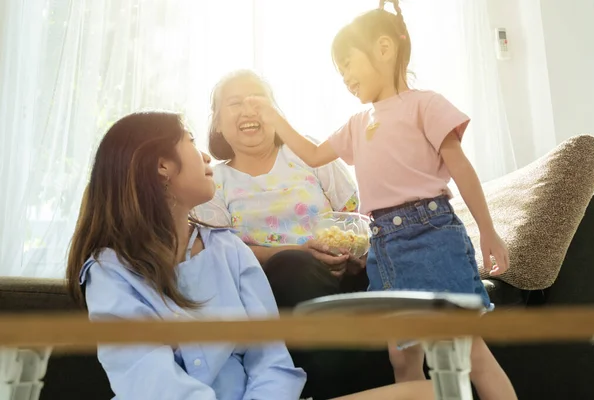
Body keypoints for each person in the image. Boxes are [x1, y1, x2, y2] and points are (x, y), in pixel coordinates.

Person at [242, 1, 518, 399]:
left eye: (349, 64)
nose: (345, 78)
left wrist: (489, 232)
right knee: (401, 356)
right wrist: (274, 116)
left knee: (469, 351)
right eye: (340, 72)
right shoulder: (357, 124)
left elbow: (462, 170)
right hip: (384, 245)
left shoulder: (426, 104)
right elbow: (314, 153)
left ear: (385, 49)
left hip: (431, 237)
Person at [65, 111, 434, 400]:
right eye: (191, 142)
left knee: (429, 392)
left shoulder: (228, 248)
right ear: (162, 165)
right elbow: (148, 379)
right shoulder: (110, 271)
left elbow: (272, 361)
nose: (205, 154)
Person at [195, 69, 397, 399]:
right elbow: (222, 251)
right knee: (293, 265)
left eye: (258, 100)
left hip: (347, 275)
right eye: (235, 103)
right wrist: (301, 255)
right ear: (217, 122)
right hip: (279, 289)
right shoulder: (212, 182)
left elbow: (355, 216)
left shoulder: (309, 153)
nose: (249, 110)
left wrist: (356, 252)